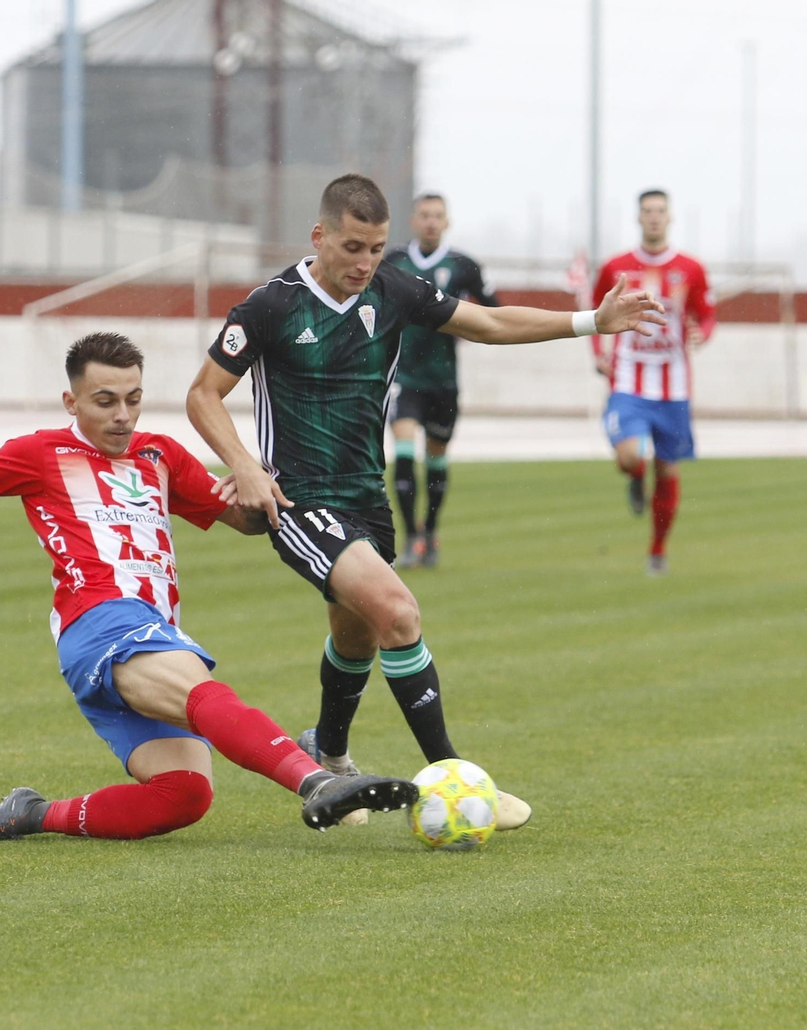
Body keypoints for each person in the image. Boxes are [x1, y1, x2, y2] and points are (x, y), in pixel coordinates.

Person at [0, 332, 416, 840]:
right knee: (203, 691)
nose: (122, 415)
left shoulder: (161, 453)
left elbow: (241, 521)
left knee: (184, 794)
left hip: (150, 628)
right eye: (105, 401)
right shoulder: (38, 453)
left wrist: (252, 490)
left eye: (132, 398)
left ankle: (33, 814)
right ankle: (315, 782)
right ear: (71, 401)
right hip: (101, 620)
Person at [186, 174, 663, 831]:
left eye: (377, 248)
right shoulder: (272, 306)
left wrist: (592, 321)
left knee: (354, 634)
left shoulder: (393, 287)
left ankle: (327, 753)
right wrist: (243, 465)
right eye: (353, 247)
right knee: (397, 612)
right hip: (299, 501)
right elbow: (203, 393)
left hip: (365, 499)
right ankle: (461, 778)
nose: (364, 263)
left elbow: (489, 322)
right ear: (319, 235)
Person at [592, 189, 716, 575]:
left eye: (660, 211)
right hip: (628, 379)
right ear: (639, 217)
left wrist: (701, 334)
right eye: (647, 211)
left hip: (674, 387)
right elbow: (596, 312)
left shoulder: (691, 268)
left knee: (668, 472)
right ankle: (634, 476)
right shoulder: (617, 267)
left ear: (669, 217)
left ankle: (657, 550)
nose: (654, 217)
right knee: (629, 455)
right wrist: (599, 350)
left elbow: (707, 315)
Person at [382, 193, 498, 568]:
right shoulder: (393, 262)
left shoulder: (465, 266)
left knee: (435, 457)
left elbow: (495, 311)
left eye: (438, 216)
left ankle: (430, 531)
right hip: (404, 375)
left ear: (447, 222)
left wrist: (467, 323)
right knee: (401, 449)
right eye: (424, 215)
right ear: (413, 220)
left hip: (444, 379)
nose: (431, 222)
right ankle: (411, 537)